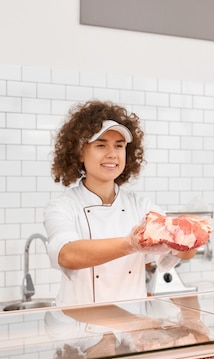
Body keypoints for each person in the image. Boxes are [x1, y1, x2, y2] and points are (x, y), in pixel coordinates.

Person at [43, 100, 196, 306]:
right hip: (82, 330)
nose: (112, 154)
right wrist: (129, 244)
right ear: (80, 152)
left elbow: (185, 253)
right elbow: (67, 255)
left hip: (132, 326)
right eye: (101, 145)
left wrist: (190, 236)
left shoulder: (140, 206)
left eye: (119, 146)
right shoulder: (63, 206)